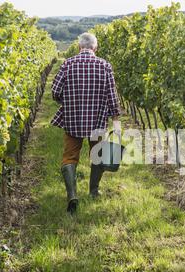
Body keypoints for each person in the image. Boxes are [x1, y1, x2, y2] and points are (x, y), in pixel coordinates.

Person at [51, 32, 121, 215]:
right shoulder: (105, 66)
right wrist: (116, 120)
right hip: (97, 120)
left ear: (79, 47)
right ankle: (93, 191)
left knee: (69, 157)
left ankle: (72, 196)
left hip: (72, 120)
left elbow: (55, 91)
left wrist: (67, 102)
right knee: (97, 155)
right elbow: (112, 96)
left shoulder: (67, 64)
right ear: (95, 48)